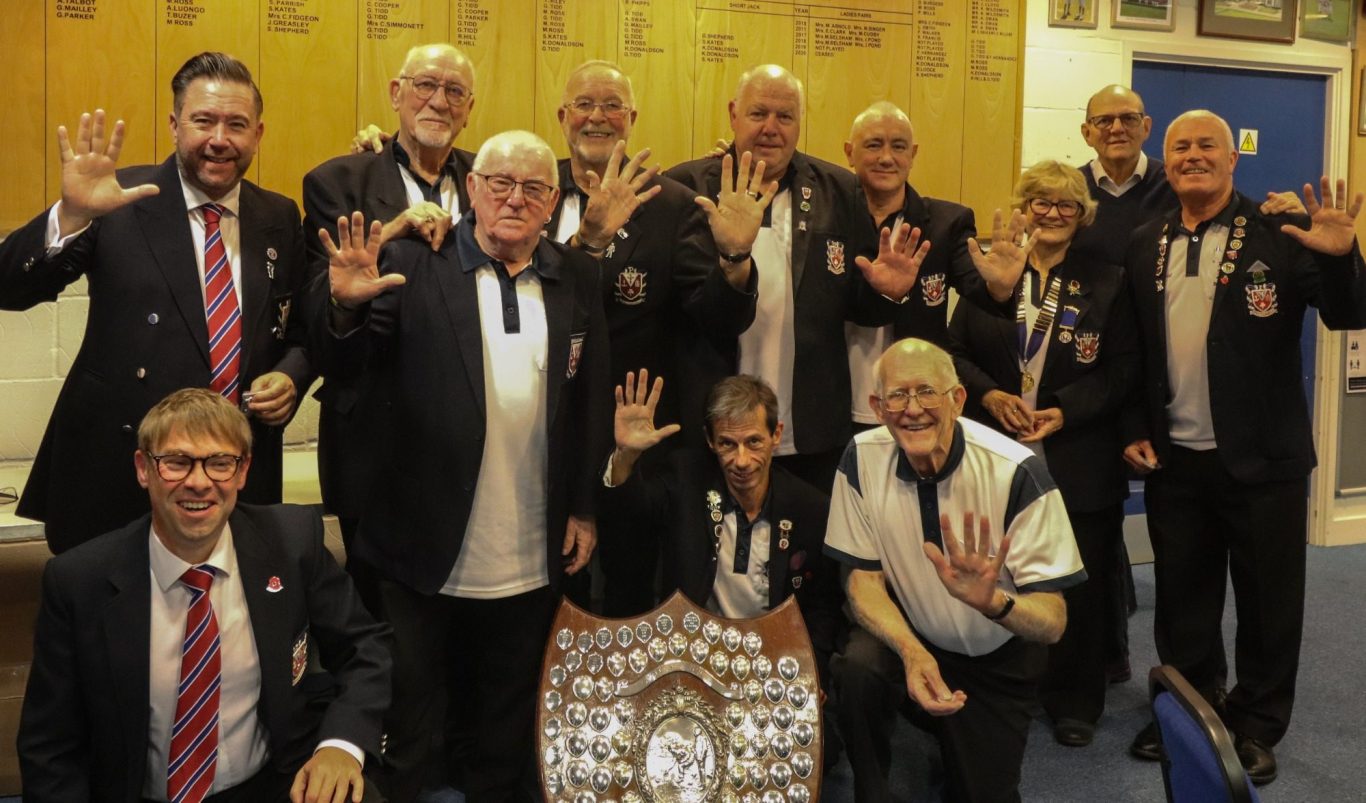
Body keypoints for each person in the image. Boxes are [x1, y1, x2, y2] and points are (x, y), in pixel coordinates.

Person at [316, 129, 610, 802]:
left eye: (533, 187)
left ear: (553, 201)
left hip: (531, 546)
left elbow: (589, 399)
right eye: (500, 183)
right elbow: (350, 368)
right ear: (471, 189)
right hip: (420, 545)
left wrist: (584, 506)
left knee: (505, 721)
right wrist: (343, 307)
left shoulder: (575, 273)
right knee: (413, 721)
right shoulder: (414, 261)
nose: (515, 198)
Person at [1122, 110, 1366, 785]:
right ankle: (1190, 711)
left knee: (1268, 604)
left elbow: (1348, 313)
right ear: (1166, 161)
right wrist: (1134, 426)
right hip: (1175, 459)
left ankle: (1258, 723)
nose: (1193, 155)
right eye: (1180, 147)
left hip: (1265, 459)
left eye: (1208, 145)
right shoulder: (1145, 241)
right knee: (1183, 600)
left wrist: (1341, 256)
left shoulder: (1279, 231)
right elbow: (1133, 348)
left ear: (1233, 159)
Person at [0, 52, 311, 554]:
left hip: (234, 475)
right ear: (174, 125)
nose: (219, 139)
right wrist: (70, 216)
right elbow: (9, 288)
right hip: (119, 472)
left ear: (257, 133)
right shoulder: (119, 197)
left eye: (236, 124)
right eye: (203, 121)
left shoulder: (279, 215)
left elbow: (298, 331)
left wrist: (291, 377)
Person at [17, 388, 391, 803]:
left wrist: (341, 745)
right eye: (176, 462)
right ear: (144, 469)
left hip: (274, 783)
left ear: (242, 471)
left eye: (219, 463)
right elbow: (50, 747)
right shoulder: (80, 581)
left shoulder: (291, 542)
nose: (199, 482)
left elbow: (364, 648)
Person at [666, 65, 997, 492]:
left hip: (812, 429)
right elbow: (693, 310)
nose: (771, 128)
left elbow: (858, 306)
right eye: (758, 113)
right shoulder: (686, 187)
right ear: (733, 114)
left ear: (800, 122)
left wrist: (885, 294)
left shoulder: (838, 189)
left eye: (785, 116)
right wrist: (733, 256)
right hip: (715, 426)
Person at [544, 59, 763, 615]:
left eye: (612, 106)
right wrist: (586, 242)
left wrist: (735, 258)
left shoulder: (668, 204)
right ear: (563, 116)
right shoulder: (532, 192)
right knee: (549, 592)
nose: (597, 117)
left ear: (632, 118)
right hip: (544, 431)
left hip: (633, 437)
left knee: (630, 591)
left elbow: (716, 316)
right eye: (584, 104)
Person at [826, 338, 1084, 803]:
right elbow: (861, 581)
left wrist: (995, 602)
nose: (913, 410)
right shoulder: (860, 457)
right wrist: (911, 652)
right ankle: (873, 791)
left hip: (996, 659)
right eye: (897, 396)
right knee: (859, 668)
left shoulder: (1017, 473)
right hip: (913, 637)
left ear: (958, 399)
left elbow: (1054, 622)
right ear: (877, 408)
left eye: (927, 391)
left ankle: (955, 744)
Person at [946, 161, 1139, 748]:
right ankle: (1011, 686)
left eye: (1066, 205)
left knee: (1080, 579)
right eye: (1041, 202)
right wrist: (990, 394)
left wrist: (1065, 411)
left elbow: (1122, 369)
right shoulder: (994, 273)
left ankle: (1076, 701)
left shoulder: (1108, 280)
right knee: (1005, 569)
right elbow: (954, 353)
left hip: (1078, 452)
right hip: (999, 449)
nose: (1052, 214)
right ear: (1023, 208)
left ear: (1083, 215)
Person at [300, 43, 477, 569]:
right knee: (373, 593)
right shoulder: (337, 182)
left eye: (455, 91)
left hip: (466, 434)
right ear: (396, 93)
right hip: (372, 437)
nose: (439, 101)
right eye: (425, 85)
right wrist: (395, 230)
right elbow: (320, 313)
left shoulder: (489, 181)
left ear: (469, 109)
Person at [602, 370, 843, 680]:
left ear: (776, 434)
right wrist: (626, 456)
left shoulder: (809, 507)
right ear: (710, 441)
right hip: (690, 661)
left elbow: (823, 607)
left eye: (753, 442)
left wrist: (812, 671)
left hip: (772, 666)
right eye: (727, 444)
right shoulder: (686, 479)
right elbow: (630, 516)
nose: (741, 461)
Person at [841, 101, 1004, 439]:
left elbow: (981, 290)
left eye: (899, 146)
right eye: (874, 145)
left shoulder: (947, 223)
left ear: (913, 154)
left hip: (917, 408)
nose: (887, 158)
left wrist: (1001, 285)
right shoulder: (828, 217)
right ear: (849, 152)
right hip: (838, 404)